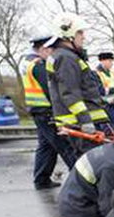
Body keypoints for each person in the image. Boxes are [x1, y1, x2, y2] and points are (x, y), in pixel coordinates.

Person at [46, 12, 112, 155]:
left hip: (82, 122)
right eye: (80, 32)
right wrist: (85, 121)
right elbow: (70, 93)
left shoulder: (65, 56)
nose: (83, 36)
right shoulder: (66, 58)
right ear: (68, 34)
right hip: (82, 123)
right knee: (96, 166)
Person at [22, 32, 77, 189]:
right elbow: (52, 91)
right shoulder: (39, 65)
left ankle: (41, 179)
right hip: (47, 112)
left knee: (46, 147)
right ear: (43, 49)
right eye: (50, 49)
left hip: (39, 111)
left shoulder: (29, 63)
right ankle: (81, 181)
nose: (53, 53)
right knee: (65, 146)